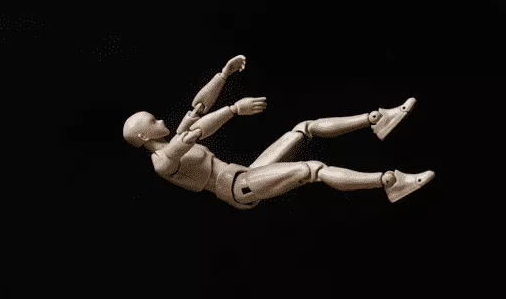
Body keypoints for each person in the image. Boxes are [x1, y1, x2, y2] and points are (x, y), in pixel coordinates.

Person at [123, 55, 435, 210]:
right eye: (152, 120)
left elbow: (198, 108)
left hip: (245, 173)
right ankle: (389, 182)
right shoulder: (161, 162)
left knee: (304, 128)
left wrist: (223, 74)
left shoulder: (174, 140)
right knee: (312, 169)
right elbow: (190, 137)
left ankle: (376, 119)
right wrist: (233, 110)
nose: (159, 119)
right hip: (239, 188)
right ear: (143, 137)